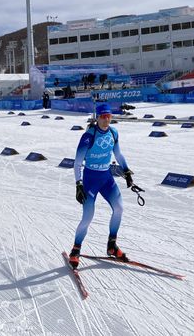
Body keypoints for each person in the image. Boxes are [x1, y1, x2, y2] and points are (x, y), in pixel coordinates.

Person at [68, 102, 135, 268]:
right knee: (88, 217)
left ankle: (112, 246)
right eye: (103, 117)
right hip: (90, 180)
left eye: (109, 116)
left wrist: (126, 171)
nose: (106, 120)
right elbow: (77, 163)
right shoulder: (88, 137)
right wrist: (78, 184)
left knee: (119, 208)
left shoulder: (113, 132)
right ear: (97, 117)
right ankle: (76, 249)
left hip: (106, 178)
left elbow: (118, 154)